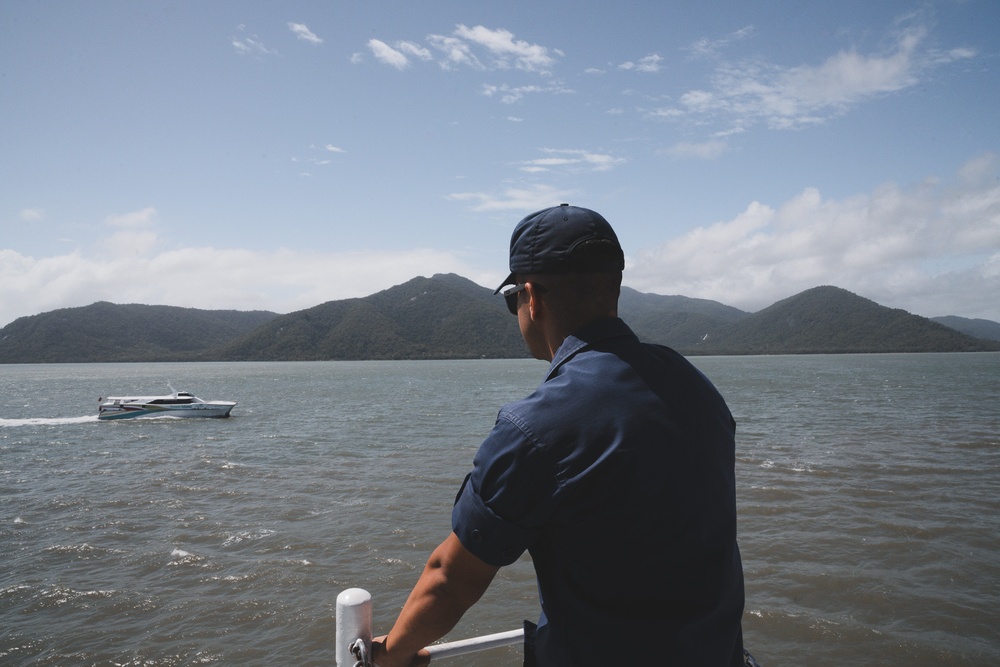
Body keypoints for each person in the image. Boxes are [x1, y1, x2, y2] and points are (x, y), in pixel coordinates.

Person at [373, 204, 747, 666]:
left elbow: (451, 578)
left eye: (513, 299)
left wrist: (390, 654)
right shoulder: (696, 387)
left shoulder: (535, 429)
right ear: (614, 287)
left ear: (532, 297)